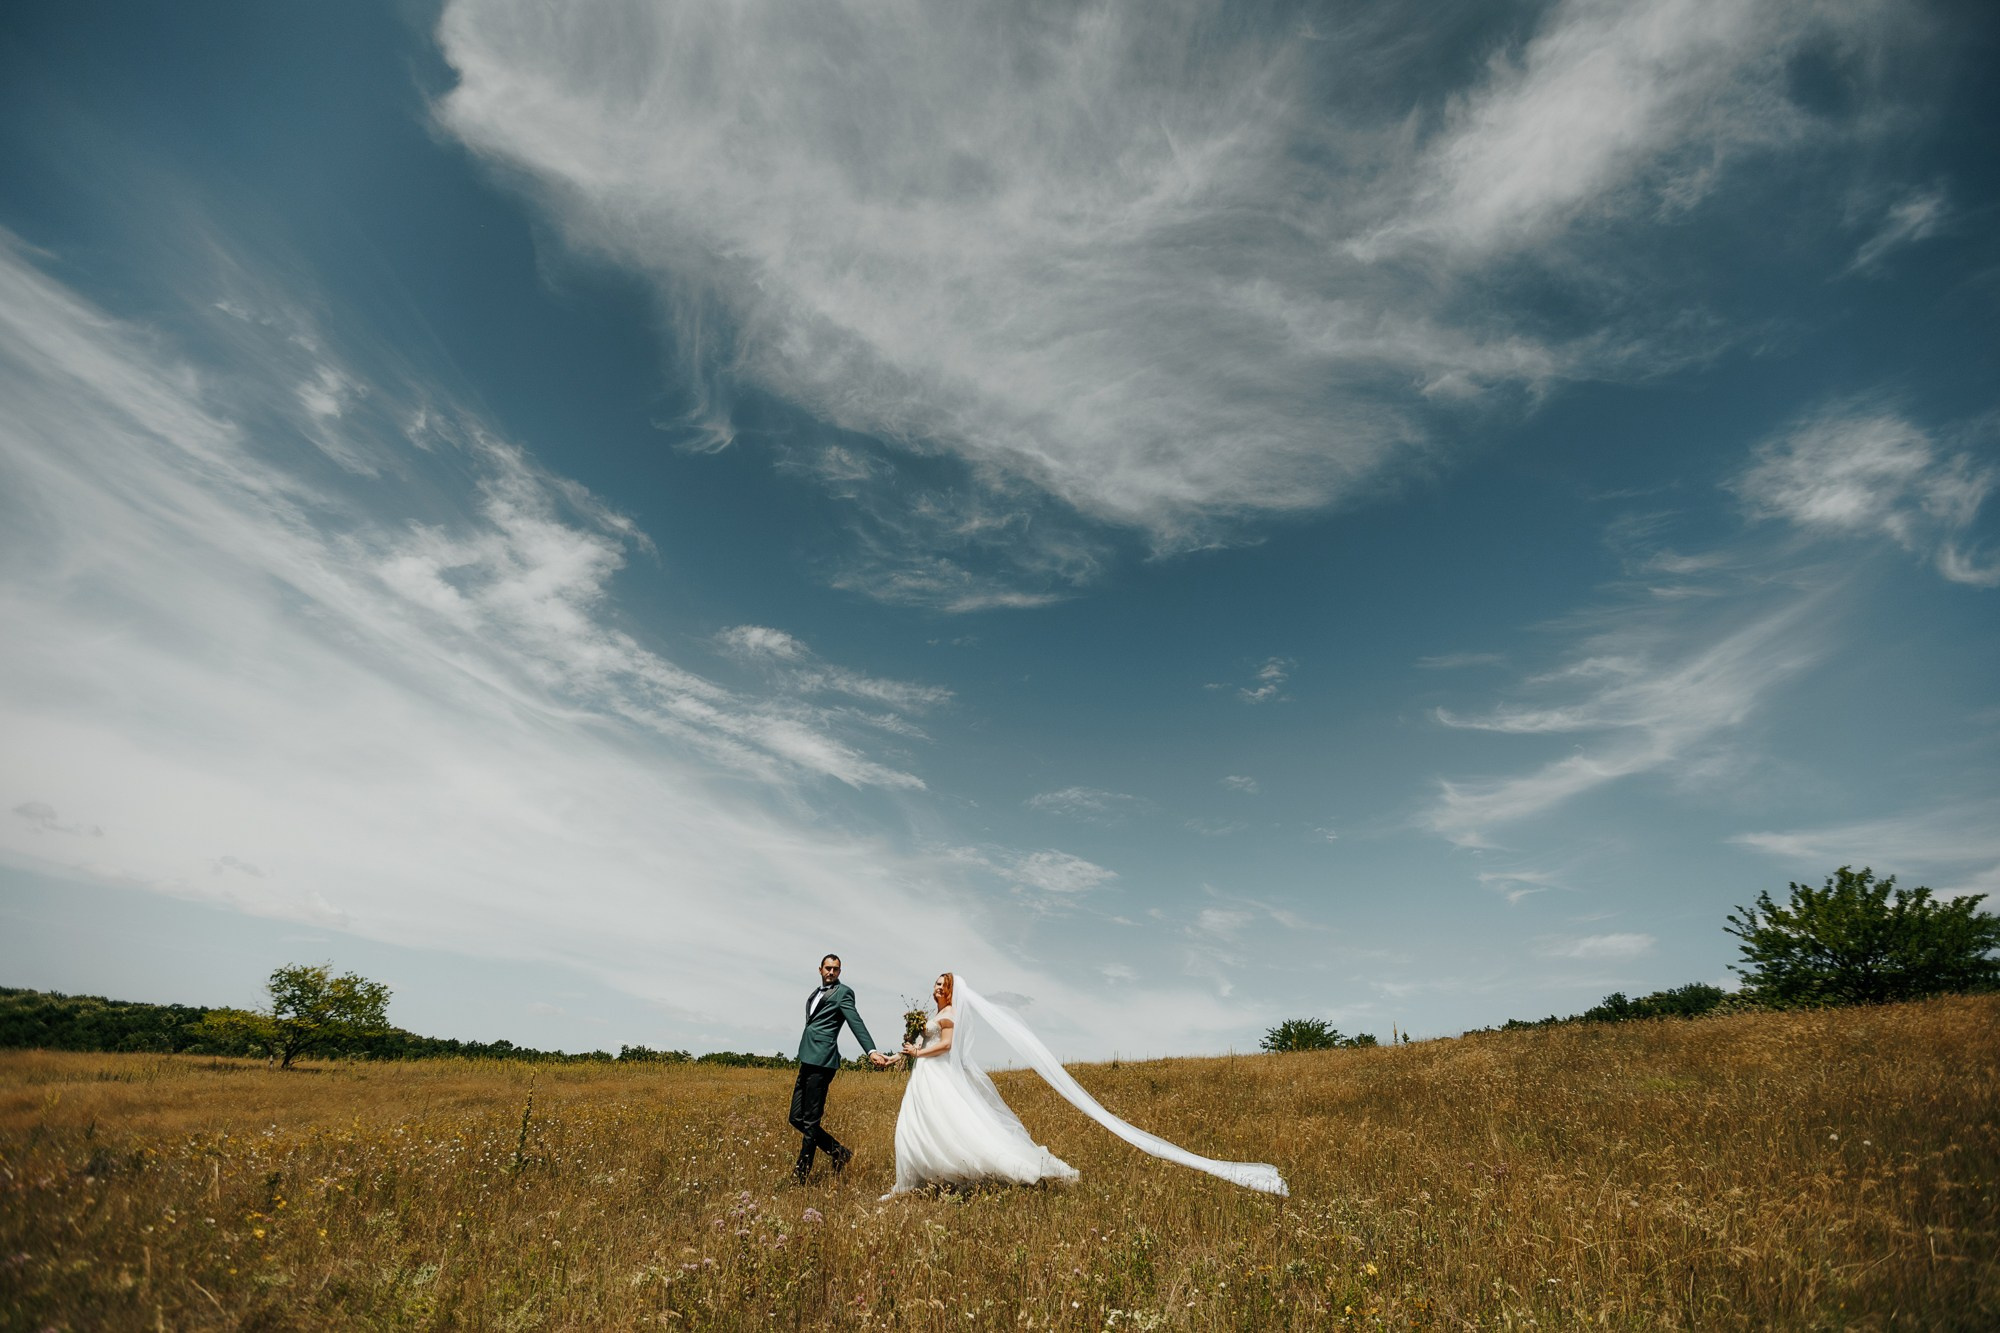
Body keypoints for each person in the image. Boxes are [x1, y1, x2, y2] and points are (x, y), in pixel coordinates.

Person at [882, 972, 1286, 1198]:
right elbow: (923, 1043)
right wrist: (902, 1054)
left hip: (937, 1076)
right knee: (919, 1129)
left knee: (955, 1129)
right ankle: (921, 1180)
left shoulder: (950, 1012)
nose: (936, 987)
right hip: (924, 1079)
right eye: (935, 984)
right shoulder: (929, 1016)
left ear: (950, 990)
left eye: (941, 983)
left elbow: (947, 1045)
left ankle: (1003, 1170)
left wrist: (919, 1055)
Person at [789, 953, 892, 1185]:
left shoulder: (843, 993)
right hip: (807, 1059)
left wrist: (871, 1051)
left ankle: (800, 1176)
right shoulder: (816, 993)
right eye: (827, 968)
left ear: (839, 972)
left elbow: (856, 1021)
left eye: (835, 969)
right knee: (796, 1118)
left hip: (823, 1062)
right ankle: (839, 1153)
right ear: (820, 969)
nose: (831, 972)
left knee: (811, 1122)